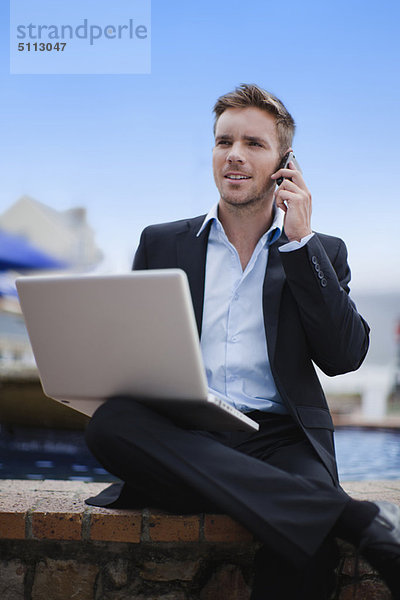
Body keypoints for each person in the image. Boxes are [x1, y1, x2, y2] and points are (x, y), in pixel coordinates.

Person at [85, 84, 400, 599]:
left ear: (285, 162)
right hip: (187, 435)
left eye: (253, 143)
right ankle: (355, 518)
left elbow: (344, 357)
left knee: (305, 542)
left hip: (279, 440)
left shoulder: (320, 251)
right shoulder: (161, 242)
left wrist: (300, 244)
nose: (233, 154)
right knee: (109, 425)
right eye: (223, 141)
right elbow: (134, 352)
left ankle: (313, 509)